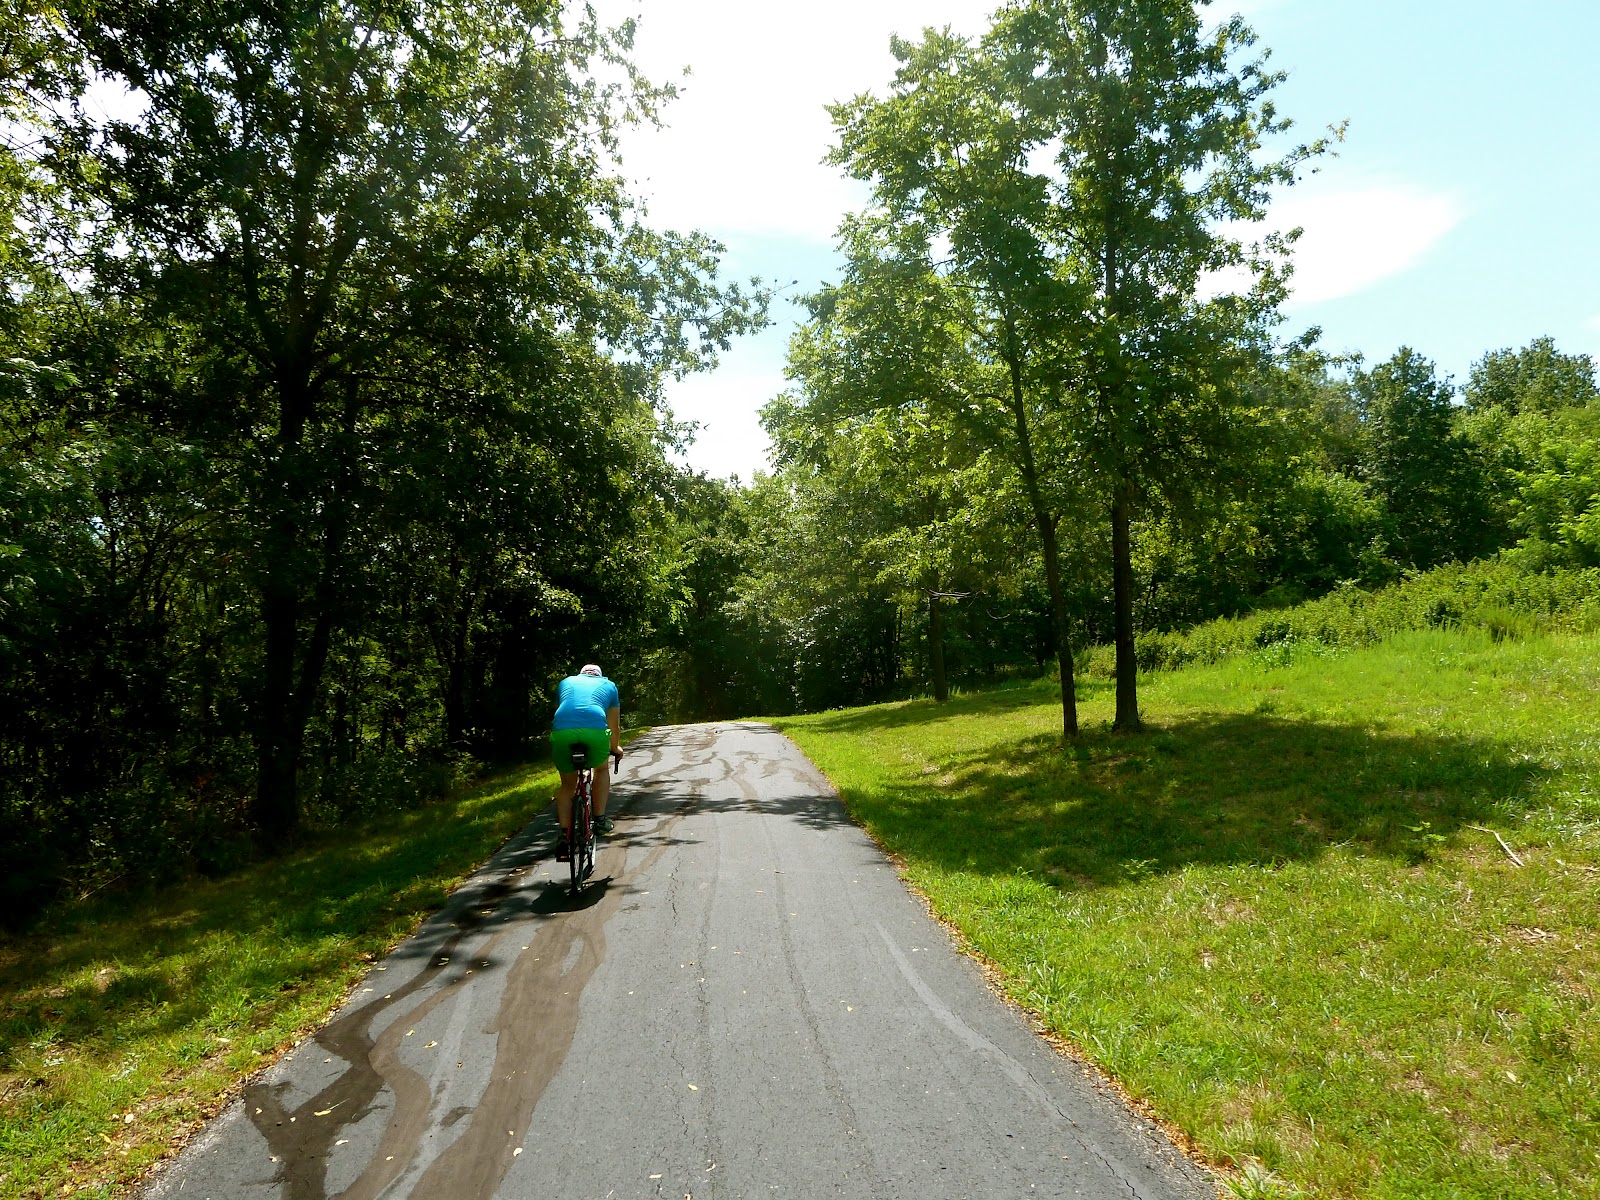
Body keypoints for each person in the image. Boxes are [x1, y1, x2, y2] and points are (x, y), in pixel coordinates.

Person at [551, 663, 622, 860]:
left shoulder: (566, 682)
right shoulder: (609, 686)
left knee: (567, 785)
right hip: (595, 731)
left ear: (580, 674)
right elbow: (613, 726)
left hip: (562, 733)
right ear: (599, 676)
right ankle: (599, 820)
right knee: (600, 769)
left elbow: (561, 713)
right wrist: (615, 748)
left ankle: (564, 836)